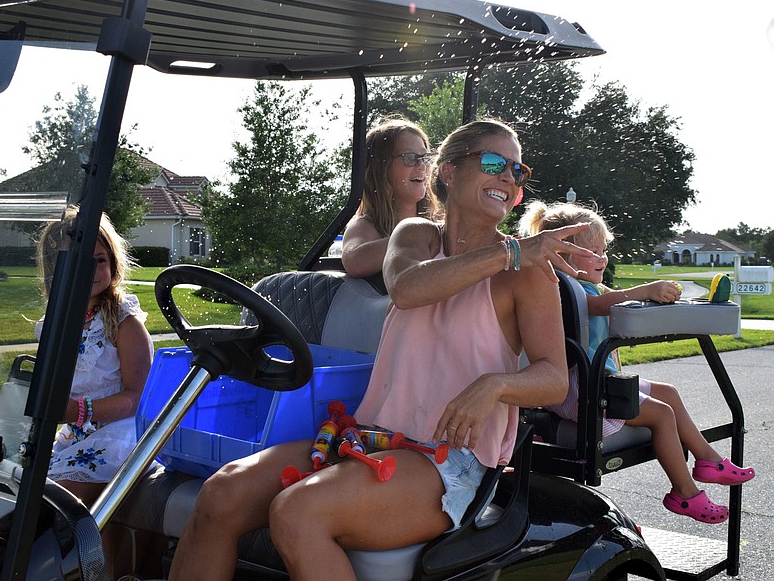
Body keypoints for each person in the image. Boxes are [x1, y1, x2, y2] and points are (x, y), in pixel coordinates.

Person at [168, 119, 597, 581]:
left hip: (451, 459)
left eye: (518, 171)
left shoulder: (527, 275)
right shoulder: (416, 236)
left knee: (298, 513)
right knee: (221, 494)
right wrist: (511, 252)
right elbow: (408, 288)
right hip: (371, 434)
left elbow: (554, 377)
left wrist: (495, 385)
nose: (510, 178)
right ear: (449, 172)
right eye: (494, 163)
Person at [518, 200, 755, 524]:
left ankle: (707, 461)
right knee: (662, 413)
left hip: (597, 381)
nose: (603, 258)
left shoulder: (588, 286)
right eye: (594, 251)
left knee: (668, 392)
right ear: (561, 255)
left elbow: (612, 301)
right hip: (578, 389)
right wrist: (646, 290)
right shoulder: (559, 288)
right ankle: (684, 493)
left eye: (604, 250)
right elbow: (599, 305)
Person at [36, 206, 154, 506]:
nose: (90, 271)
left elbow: (138, 398)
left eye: (99, 261)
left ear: (113, 264)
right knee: (21, 485)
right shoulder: (55, 324)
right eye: (77, 263)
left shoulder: (123, 323)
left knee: (60, 502)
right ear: (54, 270)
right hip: (74, 435)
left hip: (121, 433)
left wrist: (77, 411)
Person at [340, 117, 438, 278]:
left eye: (426, 158)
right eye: (410, 158)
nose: (422, 166)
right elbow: (354, 262)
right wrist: (416, 237)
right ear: (381, 167)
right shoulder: (367, 226)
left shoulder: (439, 221)